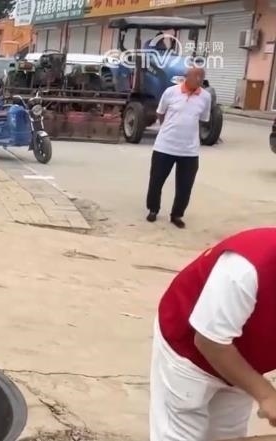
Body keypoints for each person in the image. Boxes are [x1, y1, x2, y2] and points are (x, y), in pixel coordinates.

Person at [150, 226, 276, 441]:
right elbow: (210, 342)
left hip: (247, 359)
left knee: (227, 434)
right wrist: (265, 394)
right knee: (179, 433)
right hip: (190, 351)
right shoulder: (244, 269)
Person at [145, 67, 211, 229]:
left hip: (189, 150)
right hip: (165, 146)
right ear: (186, 77)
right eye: (196, 77)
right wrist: (168, 127)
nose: (199, 80)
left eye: (201, 78)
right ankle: (153, 209)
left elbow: (203, 119)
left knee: (185, 186)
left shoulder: (205, 97)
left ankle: (177, 215)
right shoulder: (171, 92)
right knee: (156, 181)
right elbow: (161, 113)